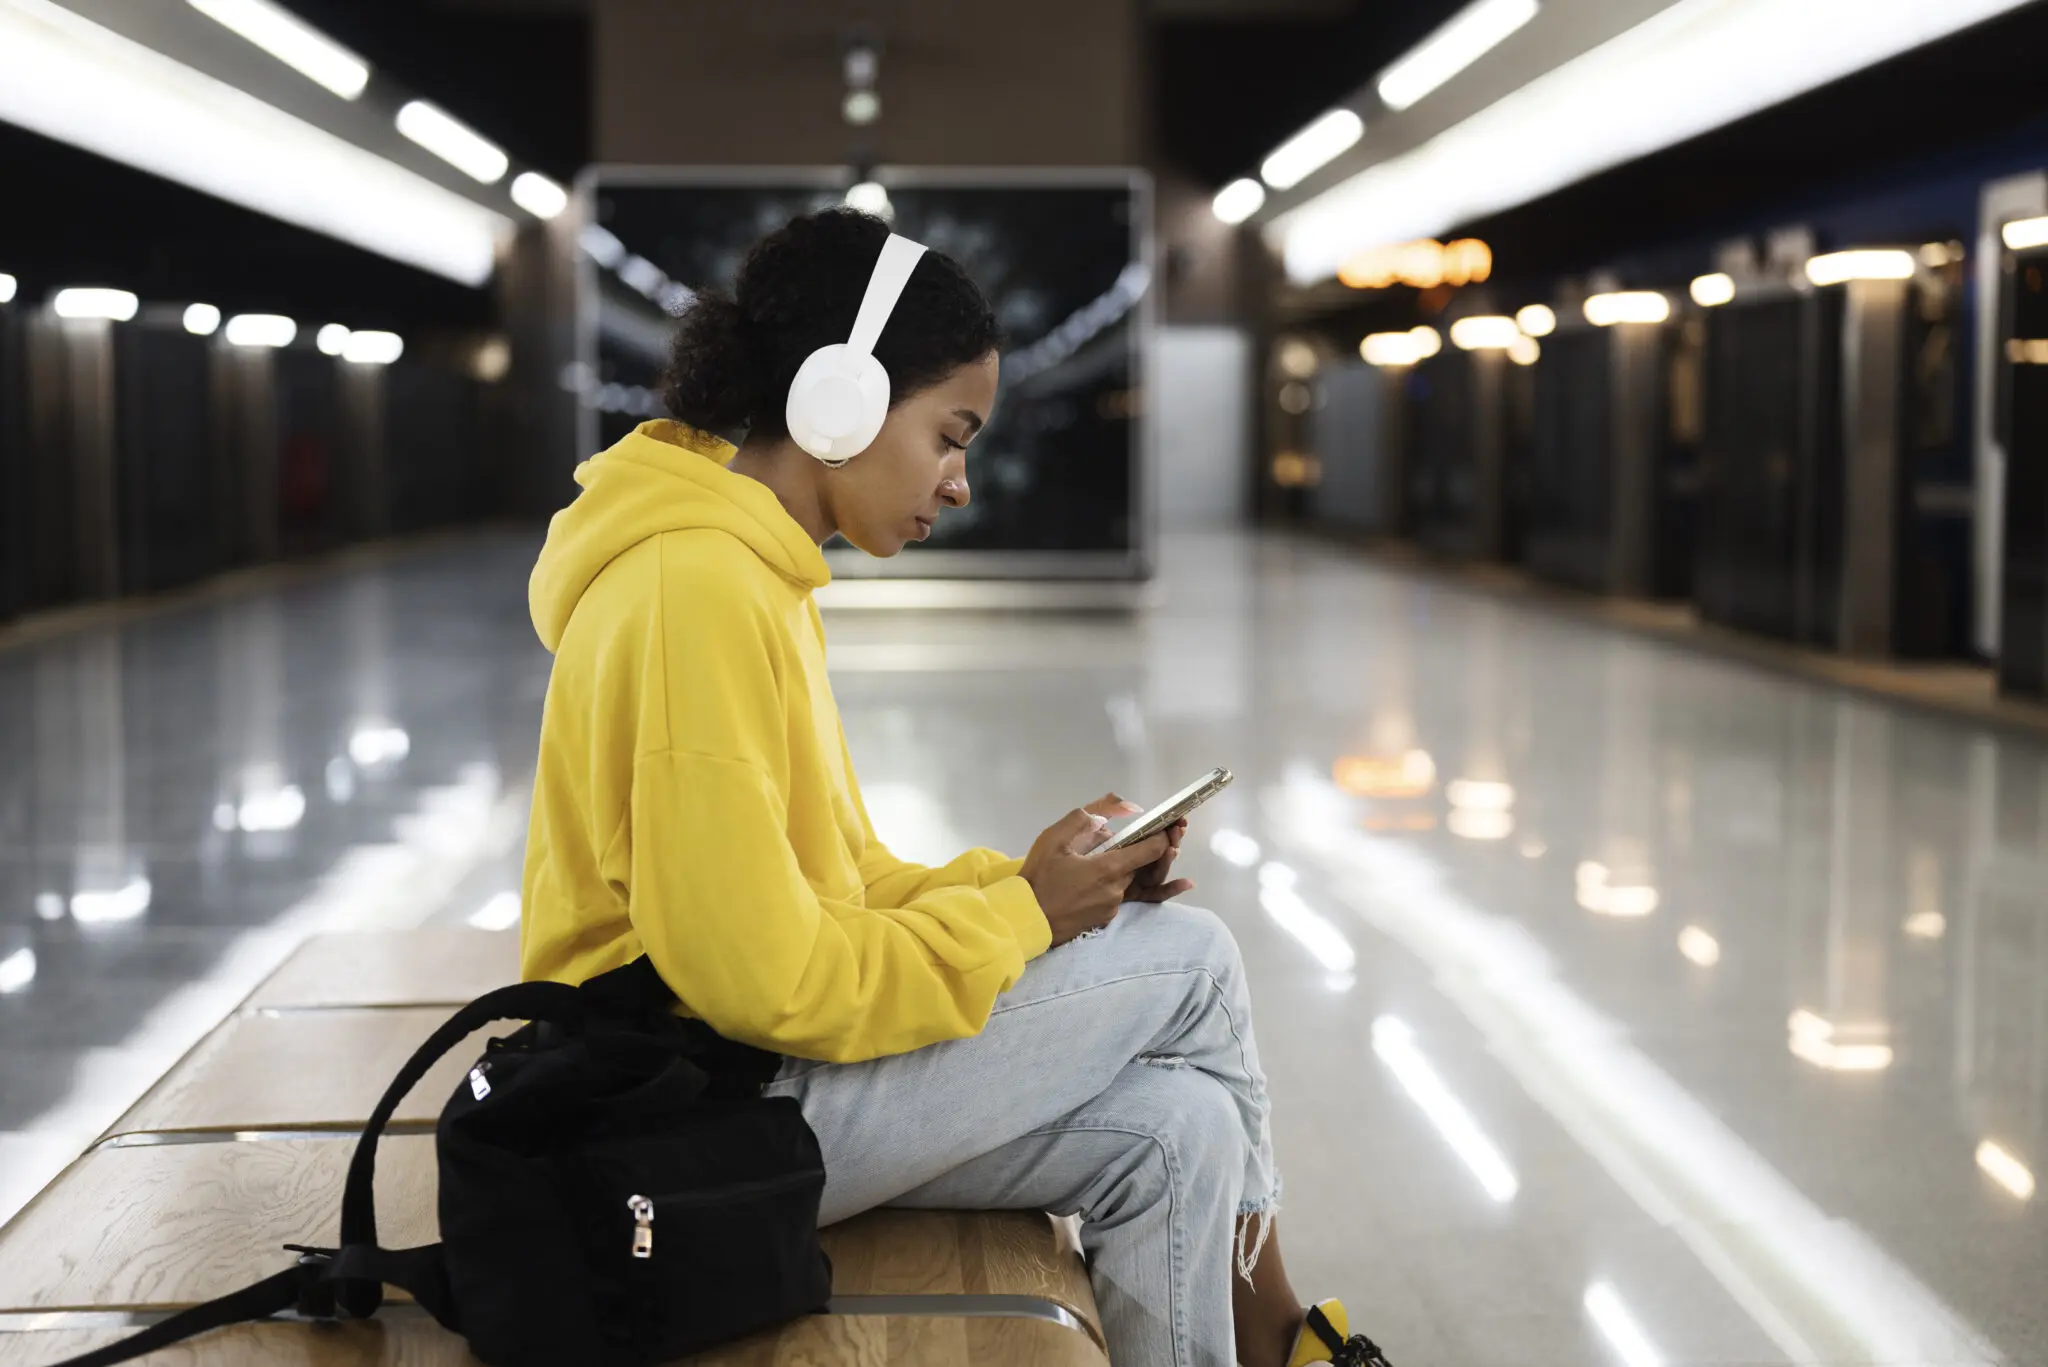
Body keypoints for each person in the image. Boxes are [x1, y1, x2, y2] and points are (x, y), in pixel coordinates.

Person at [520, 207, 1389, 1367]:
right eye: (949, 434)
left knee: (1176, 1131)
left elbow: (837, 883)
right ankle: (1284, 1339)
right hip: (677, 1120)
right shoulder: (696, 591)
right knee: (1194, 958)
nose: (959, 481)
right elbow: (767, 984)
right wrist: (1023, 916)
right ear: (838, 398)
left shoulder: (747, 574)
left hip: (722, 1085)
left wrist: (1029, 883)